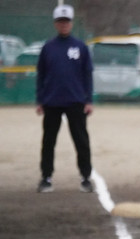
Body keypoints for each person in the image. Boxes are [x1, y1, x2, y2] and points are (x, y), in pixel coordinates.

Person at [35, 4, 94, 194]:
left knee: (81, 141)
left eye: (66, 21)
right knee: (48, 141)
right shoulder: (48, 48)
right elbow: (41, 74)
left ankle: (85, 177)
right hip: (52, 102)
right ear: (55, 23)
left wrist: (88, 100)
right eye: (60, 21)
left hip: (76, 101)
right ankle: (46, 177)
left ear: (71, 23)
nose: (64, 24)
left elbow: (87, 74)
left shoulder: (80, 47)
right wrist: (40, 100)